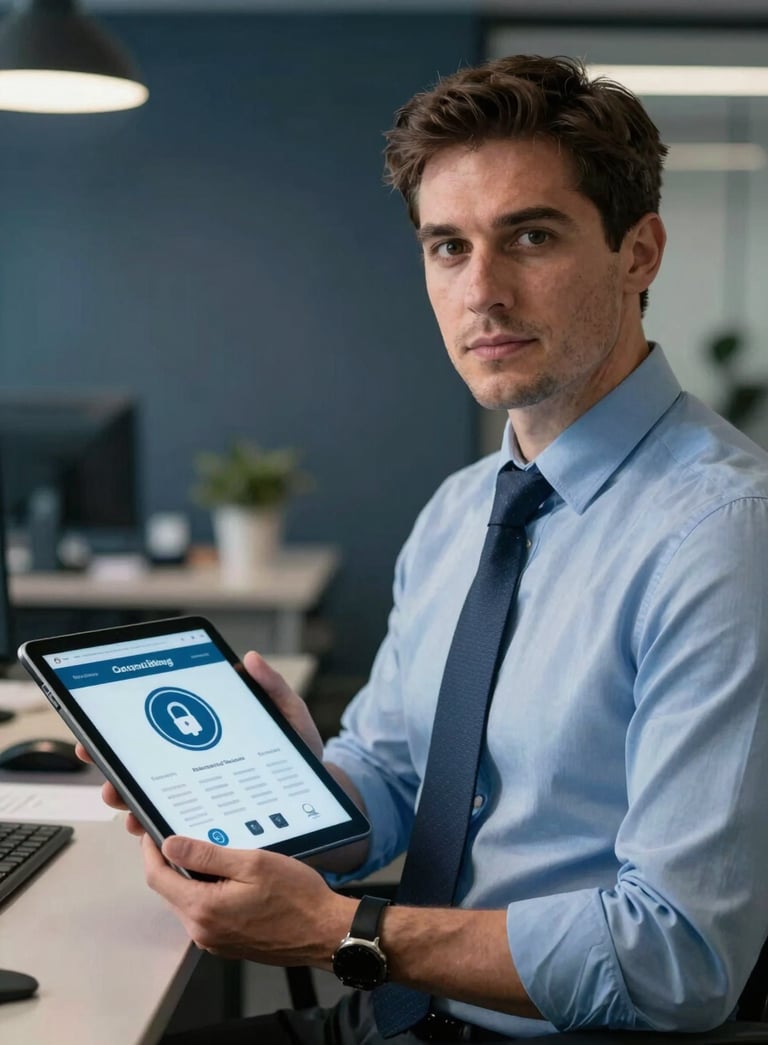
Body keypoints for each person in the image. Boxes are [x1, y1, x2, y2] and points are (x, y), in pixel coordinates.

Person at [88, 55, 768, 1044]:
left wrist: (334, 928)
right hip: (398, 1010)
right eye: (447, 247)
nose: (481, 291)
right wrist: (296, 788)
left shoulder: (725, 538)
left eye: (530, 236)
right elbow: (400, 779)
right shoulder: (463, 512)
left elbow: (678, 960)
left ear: (640, 251)